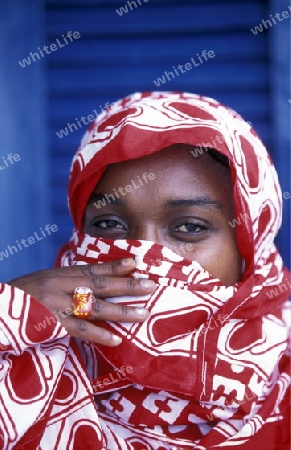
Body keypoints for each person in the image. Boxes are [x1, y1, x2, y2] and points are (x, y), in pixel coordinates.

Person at [0, 91, 290, 449]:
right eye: (108, 224)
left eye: (190, 227)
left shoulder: (283, 383)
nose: (141, 259)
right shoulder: (23, 355)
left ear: (250, 247)